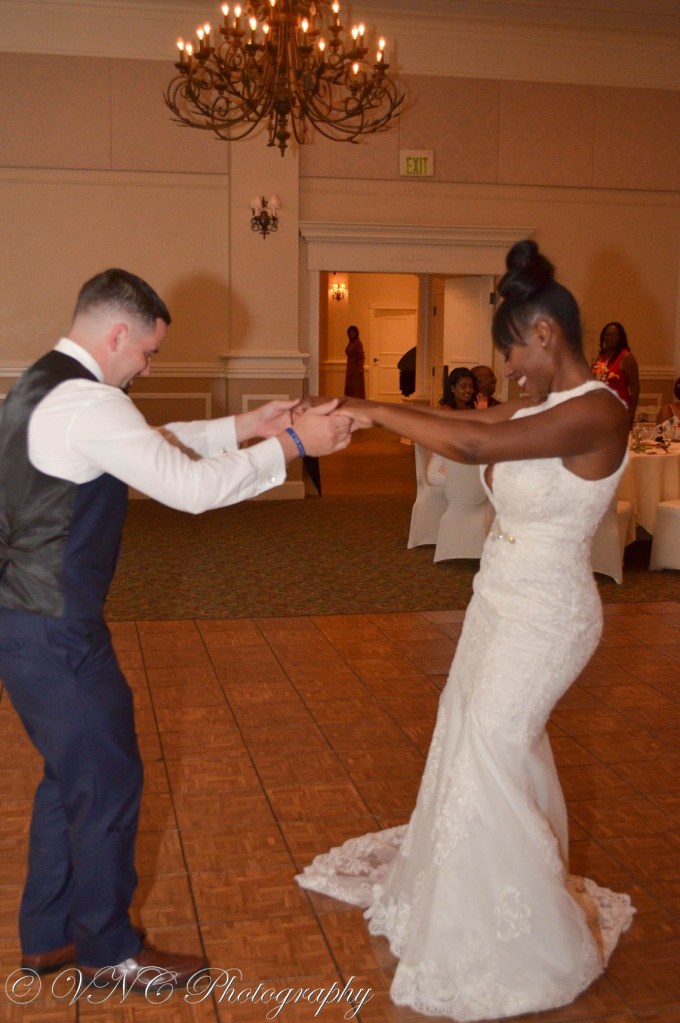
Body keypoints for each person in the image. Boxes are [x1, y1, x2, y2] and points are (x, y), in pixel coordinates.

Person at [297, 240, 635, 1021]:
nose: (509, 369)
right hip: (498, 596)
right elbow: (465, 422)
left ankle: (519, 936)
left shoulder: (598, 410)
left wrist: (370, 409)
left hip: (548, 613)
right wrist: (355, 407)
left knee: (492, 743)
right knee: (472, 733)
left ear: (544, 334)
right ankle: (467, 893)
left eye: (513, 351)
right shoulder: (542, 406)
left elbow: (476, 446)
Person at [0, 268, 351, 992]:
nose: (149, 367)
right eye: (148, 352)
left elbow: (144, 443)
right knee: (107, 778)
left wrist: (247, 428)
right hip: (54, 629)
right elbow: (187, 488)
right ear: (117, 334)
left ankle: (50, 934)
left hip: (26, 621)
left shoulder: (44, 384)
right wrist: (293, 443)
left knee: (73, 776)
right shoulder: (91, 401)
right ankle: (108, 949)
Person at [426, 367, 478, 485]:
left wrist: (482, 413)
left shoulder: (472, 408)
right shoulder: (446, 411)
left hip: (461, 465)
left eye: (471, 386)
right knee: (479, 481)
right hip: (441, 468)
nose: (468, 390)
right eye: (463, 386)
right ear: (453, 388)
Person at [590, 321, 639, 426]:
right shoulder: (600, 357)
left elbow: (635, 388)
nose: (610, 337)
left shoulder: (626, 357)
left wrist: (631, 413)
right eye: (607, 334)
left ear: (620, 337)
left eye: (614, 335)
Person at [343, 324, 365, 398]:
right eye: (350, 332)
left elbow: (361, 357)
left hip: (356, 369)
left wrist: (360, 368)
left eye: (353, 332)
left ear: (356, 333)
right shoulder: (351, 342)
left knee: (356, 389)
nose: (351, 334)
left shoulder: (358, 343)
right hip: (350, 367)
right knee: (350, 388)